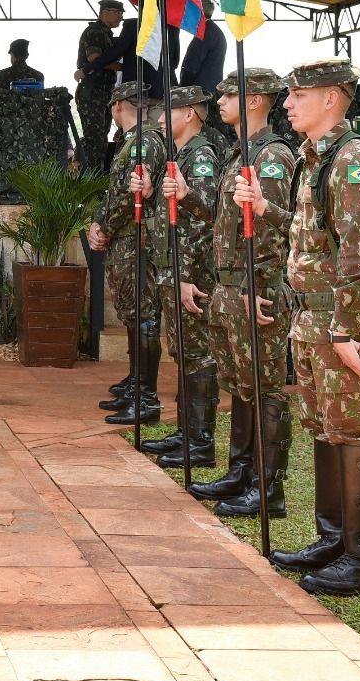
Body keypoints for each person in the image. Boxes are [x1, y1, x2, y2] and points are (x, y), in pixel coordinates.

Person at [237, 57, 360, 597]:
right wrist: (267, 210)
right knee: (325, 430)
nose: (287, 104)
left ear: (330, 99)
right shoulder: (316, 158)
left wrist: (347, 330)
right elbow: (315, 234)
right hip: (311, 315)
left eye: (298, 95)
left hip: (336, 319)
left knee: (351, 432)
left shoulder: (352, 159)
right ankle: (333, 540)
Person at [187, 69, 298, 518]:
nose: (220, 101)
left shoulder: (271, 156)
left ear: (254, 101)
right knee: (242, 384)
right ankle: (241, 472)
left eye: (229, 94)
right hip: (230, 286)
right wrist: (186, 197)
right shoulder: (239, 153)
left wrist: (255, 285)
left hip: (255, 288)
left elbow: (272, 229)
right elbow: (224, 220)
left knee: (265, 387)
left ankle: (267, 488)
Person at [133, 85, 222, 468]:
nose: (160, 118)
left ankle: (200, 441)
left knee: (197, 355)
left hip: (191, 273)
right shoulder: (180, 154)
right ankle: (187, 432)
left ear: (189, 114)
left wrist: (186, 276)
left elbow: (206, 218)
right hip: (174, 268)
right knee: (184, 353)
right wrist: (152, 190)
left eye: (169, 111)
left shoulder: (200, 155)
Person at [89, 82, 165, 426]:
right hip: (126, 239)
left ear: (119, 105)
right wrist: (99, 222)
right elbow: (115, 192)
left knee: (143, 314)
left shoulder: (145, 142)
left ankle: (145, 397)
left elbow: (130, 197)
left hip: (138, 240)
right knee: (134, 313)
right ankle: (136, 384)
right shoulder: (131, 140)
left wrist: (105, 226)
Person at [74, 1, 124, 170]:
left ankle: (97, 176)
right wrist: (123, 67)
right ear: (106, 12)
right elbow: (95, 59)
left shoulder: (106, 33)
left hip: (102, 92)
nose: (121, 17)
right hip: (92, 92)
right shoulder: (95, 31)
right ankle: (90, 178)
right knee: (93, 140)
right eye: (118, 13)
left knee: (101, 139)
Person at [179, 0, 228, 92]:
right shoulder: (214, 31)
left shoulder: (204, 32)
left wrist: (182, 88)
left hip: (200, 93)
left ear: (198, 11)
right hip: (211, 89)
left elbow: (192, 65)